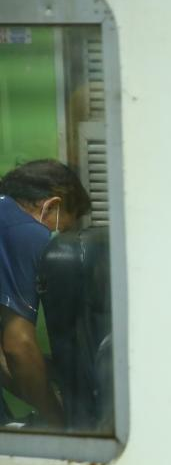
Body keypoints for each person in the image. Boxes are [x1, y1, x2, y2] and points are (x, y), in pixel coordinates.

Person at [0, 159, 91, 429]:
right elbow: (18, 346)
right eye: (59, 231)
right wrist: (60, 426)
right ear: (50, 206)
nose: (53, 239)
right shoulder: (25, 232)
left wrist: (47, 399)